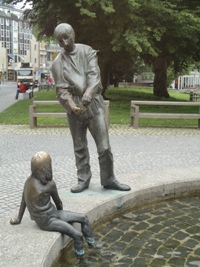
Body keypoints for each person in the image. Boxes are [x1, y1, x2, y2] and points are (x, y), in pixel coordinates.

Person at [52, 23, 131, 193]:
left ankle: (109, 179)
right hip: (74, 108)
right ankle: (83, 179)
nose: (65, 42)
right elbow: (61, 89)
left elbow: (94, 75)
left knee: (104, 146)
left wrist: (89, 91)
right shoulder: (57, 63)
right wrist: (72, 105)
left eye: (67, 37)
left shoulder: (87, 51)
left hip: (93, 103)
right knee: (79, 147)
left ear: (73, 34)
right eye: (60, 40)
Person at [10, 151, 95, 256]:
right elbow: (59, 203)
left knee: (83, 218)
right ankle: (85, 257)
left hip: (48, 216)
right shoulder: (50, 184)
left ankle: (92, 245)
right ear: (47, 168)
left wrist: (19, 219)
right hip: (47, 221)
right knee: (78, 234)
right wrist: (64, 217)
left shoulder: (28, 181)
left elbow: (23, 201)